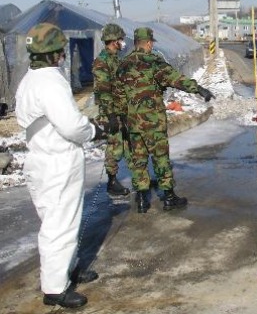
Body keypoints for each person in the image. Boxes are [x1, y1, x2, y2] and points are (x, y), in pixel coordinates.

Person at [15, 22, 106, 308]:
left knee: (60, 220)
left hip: (41, 158)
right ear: (55, 52)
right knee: (59, 225)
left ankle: (68, 268)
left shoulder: (30, 79)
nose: (63, 55)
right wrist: (94, 130)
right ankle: (55, 288)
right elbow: (70, 126)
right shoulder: (51, 81)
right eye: (60, 51)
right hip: (57, 161)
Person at [115, 27, 214, 213]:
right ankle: (169, 197)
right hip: (153, 122)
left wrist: (122, 120)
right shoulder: (154, 62)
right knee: (161, 158)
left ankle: (143, 200)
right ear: (149, 43)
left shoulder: (123, 65)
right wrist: (199, 89)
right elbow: (177, 79)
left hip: (132, 123)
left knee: (138, 160)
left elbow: (117, 97)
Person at [93, 23, 133, 197]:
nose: (123, 42)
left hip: (122, 109)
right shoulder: (102, 62)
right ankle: (111, 182)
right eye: (121, 39)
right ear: (114, 41)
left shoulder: (116, 58)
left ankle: (139, 177)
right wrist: (110, 116)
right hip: (111, 112)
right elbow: (103, 90)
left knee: (128, 144)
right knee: (115, 146)